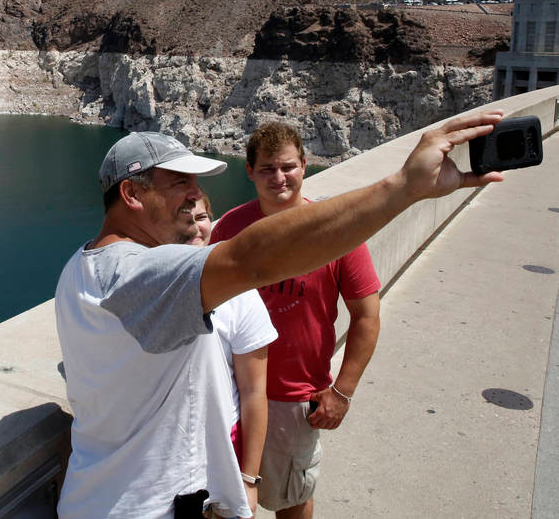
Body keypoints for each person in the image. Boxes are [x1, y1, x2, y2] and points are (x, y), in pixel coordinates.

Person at [54, 111, 504, 519]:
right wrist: (402, 187)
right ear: (132, 193)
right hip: (153, 507)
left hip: (91, 497)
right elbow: (254, 258)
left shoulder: (78, 268)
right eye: (179, 184)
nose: (196, 197)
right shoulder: (143, 273)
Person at [209, 122, 381, 519]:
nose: (279, 178)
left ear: (305, 166)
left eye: (288, 166)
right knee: (225, 496)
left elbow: (367, 315)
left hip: (294, 396)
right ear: (249, 171)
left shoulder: (334, 230)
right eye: (267, 169)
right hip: (231, 390)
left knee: (293, 495)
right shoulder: (231, 228)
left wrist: (343, 391)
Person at [189, 192, 276, 517]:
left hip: (225, 444)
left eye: (200, 217)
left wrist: (249, 479)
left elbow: (254, 392)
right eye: (183, 218)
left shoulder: (239, 293)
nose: (194, 227)